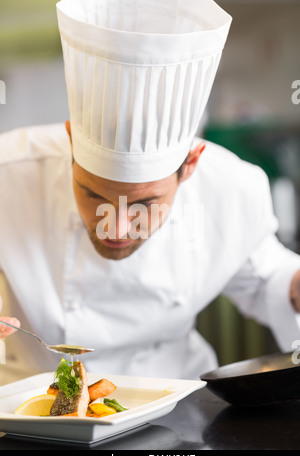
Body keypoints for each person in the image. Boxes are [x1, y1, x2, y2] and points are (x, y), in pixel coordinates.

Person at [1, 0, 300, 384]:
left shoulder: (232, 187)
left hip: (178, 398)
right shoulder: (9, 170)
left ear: (190, 165)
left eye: (145, 203)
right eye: (93, 195)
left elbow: (267, 276)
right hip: (30, 404)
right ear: (72, 142)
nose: (117, 226)